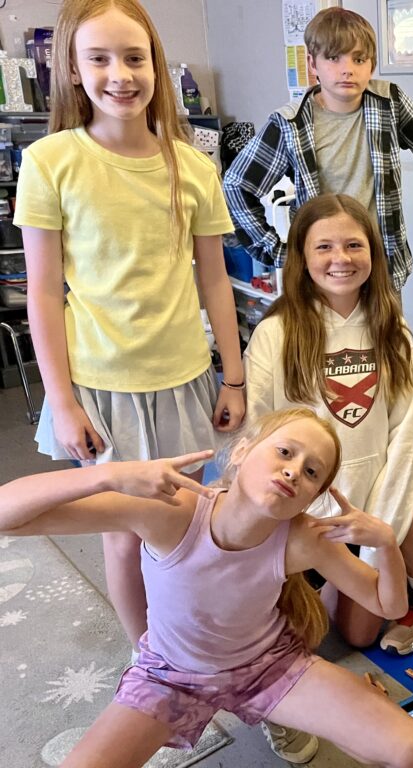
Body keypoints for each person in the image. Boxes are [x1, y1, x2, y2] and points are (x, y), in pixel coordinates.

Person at [0, 408, 413, 768]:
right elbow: (7, 515)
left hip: (267, 667)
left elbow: (387, 604)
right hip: (171, 675)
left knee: (410, 747)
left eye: (311, 471)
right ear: (242, 451)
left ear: (312, 496)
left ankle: (290, 714)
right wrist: (109, 475)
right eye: (284, 451)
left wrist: (387, 543)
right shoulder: (171, 512)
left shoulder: (303, 537)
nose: (293, 470)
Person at [14, 0, 245, 652]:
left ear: (156, 65)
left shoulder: (192, 165)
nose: (121, 74)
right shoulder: (51, 161)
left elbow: (214, 281)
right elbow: (42, 293)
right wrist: (61, 403)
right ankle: (149, 656)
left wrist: (233, 376)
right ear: (73, 69)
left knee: (187, 526)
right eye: (100, 58)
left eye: (135, 56)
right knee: (123, 537)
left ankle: (193, 637)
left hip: (184, 379)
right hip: (101, 390)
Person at [245, 193, 413, 661]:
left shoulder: (392, 328)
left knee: (358, 634)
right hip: (305, 515)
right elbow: (258, 438)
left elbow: (403, 437)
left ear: (373, 252)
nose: (341, 259)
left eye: (354, 246)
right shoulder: (275, 333)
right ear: (302, 256)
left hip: (372, 507)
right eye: (324, 247)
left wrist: (379, 536)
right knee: (304, 637)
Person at [222, 7, 413, 294]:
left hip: (380, 266)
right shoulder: (289, 123)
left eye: (358, 60)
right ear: (312, 63)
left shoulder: (388, 103)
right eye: (334, 58)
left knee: (383, 350)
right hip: (322, 273)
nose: (347, 70)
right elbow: (237, 185)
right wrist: (280, 252)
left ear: (371, 64)